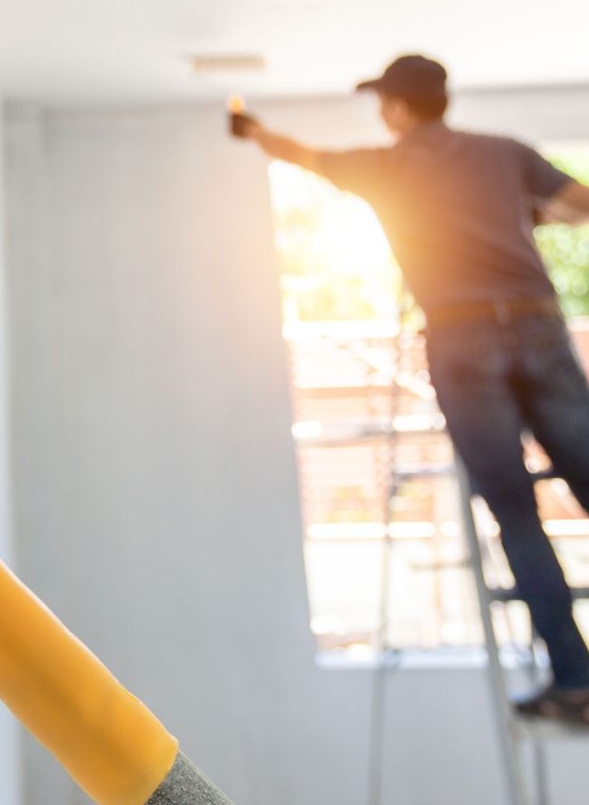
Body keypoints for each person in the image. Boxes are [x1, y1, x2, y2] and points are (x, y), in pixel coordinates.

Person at [231, 54, 589, 724]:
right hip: (536, 327)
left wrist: (250, 129)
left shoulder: (384, 166)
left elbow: (299, 154)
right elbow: (581, 209)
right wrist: (526, 219)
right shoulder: (504, 153)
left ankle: (578, 683)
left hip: (461, 339)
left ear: (397, 108)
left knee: (515, 513)